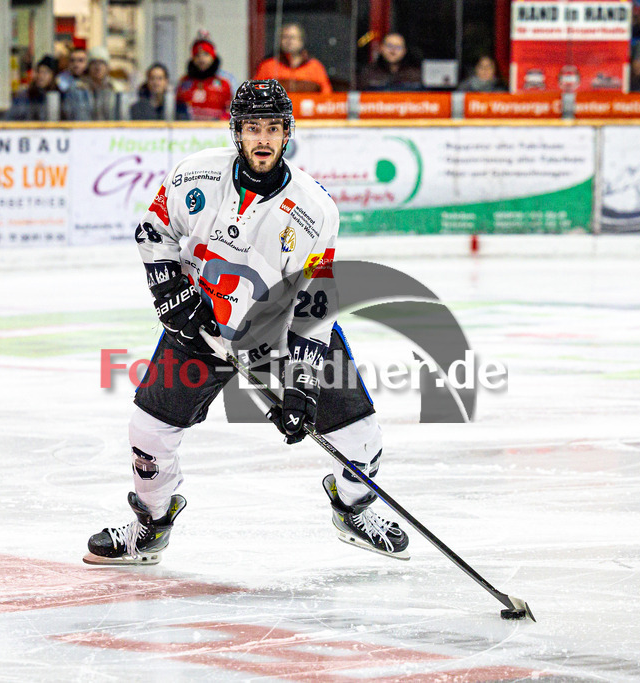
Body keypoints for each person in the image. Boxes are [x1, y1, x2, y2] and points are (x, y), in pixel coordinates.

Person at [85, 79, 408, 566]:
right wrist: (172, 297)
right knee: (148, 433)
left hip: (278, 333)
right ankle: (151, 524)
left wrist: (299, 387)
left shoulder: (315, 210)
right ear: (236, 131)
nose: (262, 139)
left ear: (286, 134)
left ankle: (353, 506)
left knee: (362, 437)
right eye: (252, 128)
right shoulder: (194, 176)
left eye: (273, 129)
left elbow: (312, 304)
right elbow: (154, 231)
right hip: (197, 325)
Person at [254, 23, 332, 93]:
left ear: (301, 41)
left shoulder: (315, 67)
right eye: (285, 37)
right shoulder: (268, 66)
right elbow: (255, 93)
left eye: (293, 37)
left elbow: (326, 99)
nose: (289, 41)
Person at [176, 33, 235, 120]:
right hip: (188, 130)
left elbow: (230, 112)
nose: (202, 59)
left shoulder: (224, 84)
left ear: (213, 57)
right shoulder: (184, 83)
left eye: (206, 54)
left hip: (216, 131)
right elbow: (177, 111)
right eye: (197, 55)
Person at [6, 54, 64, 121]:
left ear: (53, 75)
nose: (41, 76)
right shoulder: (24, 96)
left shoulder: (61, 97)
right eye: (38, 72)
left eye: (45, 73)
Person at [72, 46, 117, 120]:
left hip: (110, 130)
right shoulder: (77, 88)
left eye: (102, 63)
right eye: (94, 63)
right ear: (88, 67)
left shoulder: (116, 88)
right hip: (83, 130)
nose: (98, 67)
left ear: (107, 67)